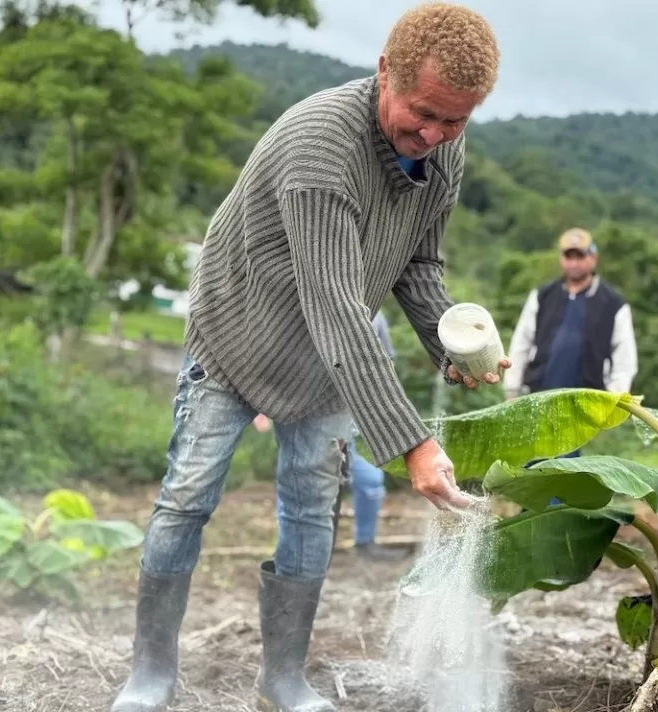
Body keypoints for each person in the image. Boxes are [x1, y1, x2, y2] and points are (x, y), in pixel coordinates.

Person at [111, 5, 506, 712]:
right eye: (423, 114)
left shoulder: (442, 147)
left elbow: (417, 263)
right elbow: (336, 306)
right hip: (240, 334)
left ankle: (283, 678)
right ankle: (150, 673)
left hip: (324, 363)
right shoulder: (321, 151)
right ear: (385, 72)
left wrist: (447, 340)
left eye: (455, 121)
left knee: (310, 510)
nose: (435, 135)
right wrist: (413, 444)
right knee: (188, 497)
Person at [273, 311, 409, 562]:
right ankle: (293, 549)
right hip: (310, 417)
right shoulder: (313, 308)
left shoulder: (377, 316)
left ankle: (365, 543)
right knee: (298, 483)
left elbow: (385, 366)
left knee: (370, 481)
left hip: (355, 420)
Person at [504, 227, 638, 457]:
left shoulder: (613, 303)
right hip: (538, 394)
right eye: (569, 256)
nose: (574, 263)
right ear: (561, 259)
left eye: (580, 256)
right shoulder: (543, 296)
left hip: (583, 402)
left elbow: (624, 358)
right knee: (531, 461)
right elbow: (521, 344)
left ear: (593, 258)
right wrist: (511, 388)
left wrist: (614, 400)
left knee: (565, 463)